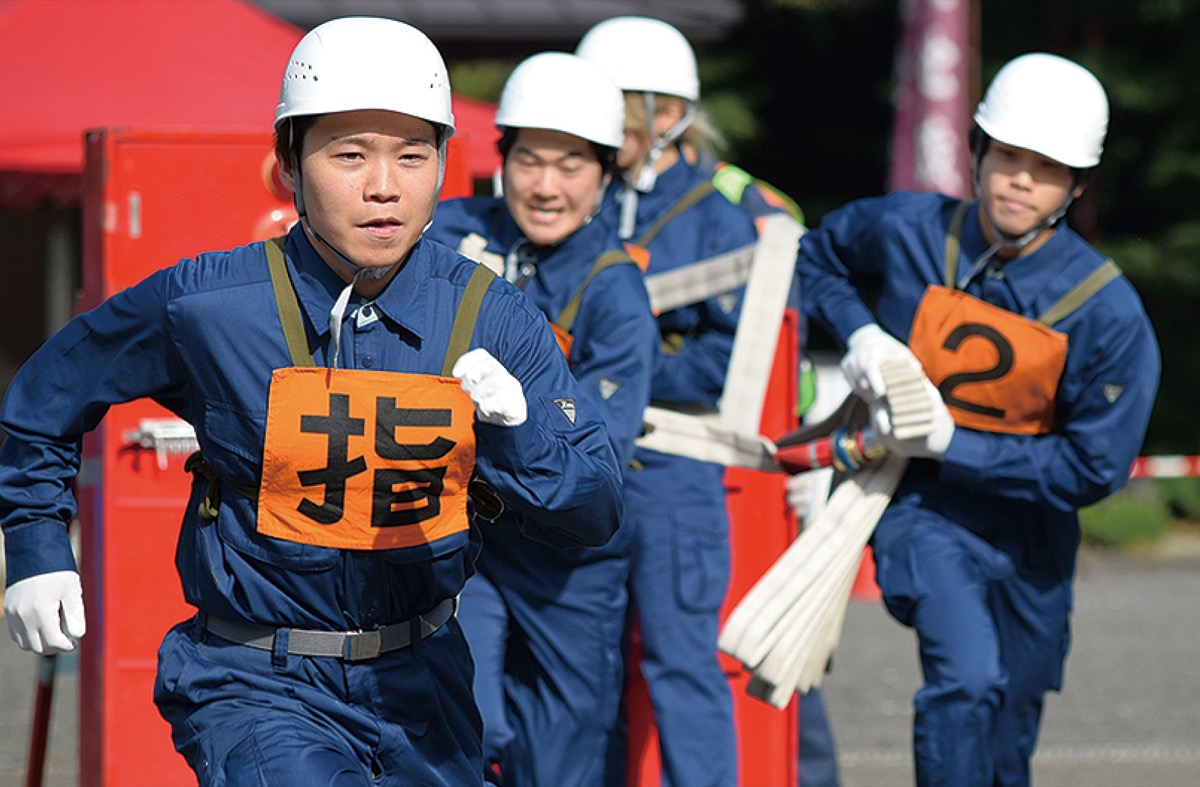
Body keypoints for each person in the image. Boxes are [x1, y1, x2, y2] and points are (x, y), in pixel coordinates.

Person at [0, 17, 625, 786]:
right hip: (256, 678)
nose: (384, 186)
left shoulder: (494, 318)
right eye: (350, 155)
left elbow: (595, 510)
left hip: (424, 683)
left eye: (413, 154)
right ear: (289, 164)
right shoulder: (209, 302)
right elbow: (47, 391)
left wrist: (519, 435)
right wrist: (33, 542)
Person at [795, 52, 1160, 786]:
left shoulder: (1109, 311)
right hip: (923, 507)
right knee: (964, 680)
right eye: (1009, 156)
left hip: (1034, 532)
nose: (1021, 179)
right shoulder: (905, 225)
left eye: (1047, 166)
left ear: (1077, 183)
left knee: (1006, 722)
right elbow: (814, 256)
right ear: (977, 152)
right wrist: (860, 333)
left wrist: (958, 442)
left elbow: (1092, 467)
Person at [426, 51, 656, 786]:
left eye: (571, 165)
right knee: (467, 719)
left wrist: (507, 426)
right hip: (468, 542)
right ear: (502, 159)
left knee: (563, 756)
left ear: (605, 176)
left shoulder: (617, 292)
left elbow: (593, 467)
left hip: (572, 559)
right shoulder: (445, 232)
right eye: (529, 160)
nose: (546, 186)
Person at [575, 16, 761, 787]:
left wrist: (623, 368)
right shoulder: (572, 201)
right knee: (585, 667)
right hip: (586, 465)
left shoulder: (716, 217)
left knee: (682, 663)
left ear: (667, 114)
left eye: (615, 110)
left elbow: (727, 360)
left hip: (671, 469)